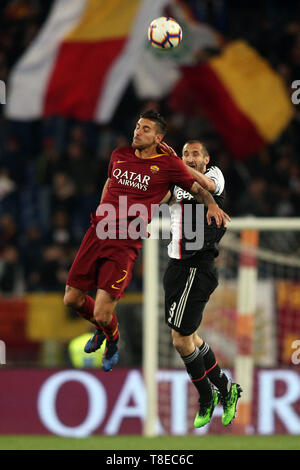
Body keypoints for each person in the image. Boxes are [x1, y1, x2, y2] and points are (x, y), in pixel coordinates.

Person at [63, 111, 230, 372]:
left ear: (158, 137)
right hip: (98, 232)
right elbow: (110, 182)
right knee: (71, 300)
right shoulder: (118, 155)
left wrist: (211, 206)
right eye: (137, 126)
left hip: (124, 243)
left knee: (102, 314)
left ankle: (112, 338)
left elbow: (200, 188)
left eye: (145, 129)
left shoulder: (169, 165)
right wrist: (101, 213)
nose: (137, 132)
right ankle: (101, 330)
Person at [162, 140, 242, 428]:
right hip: (175, 268)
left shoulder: (215, 176)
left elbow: (206, 185)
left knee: (180, 340)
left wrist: (176, 166)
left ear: (206, 158)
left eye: (195, 153)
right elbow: (154, 199)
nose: (190, 157)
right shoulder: (174, 183)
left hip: (199, 267)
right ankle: (226, 387)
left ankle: (207, 396)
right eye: (185, 154)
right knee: (191, 337)